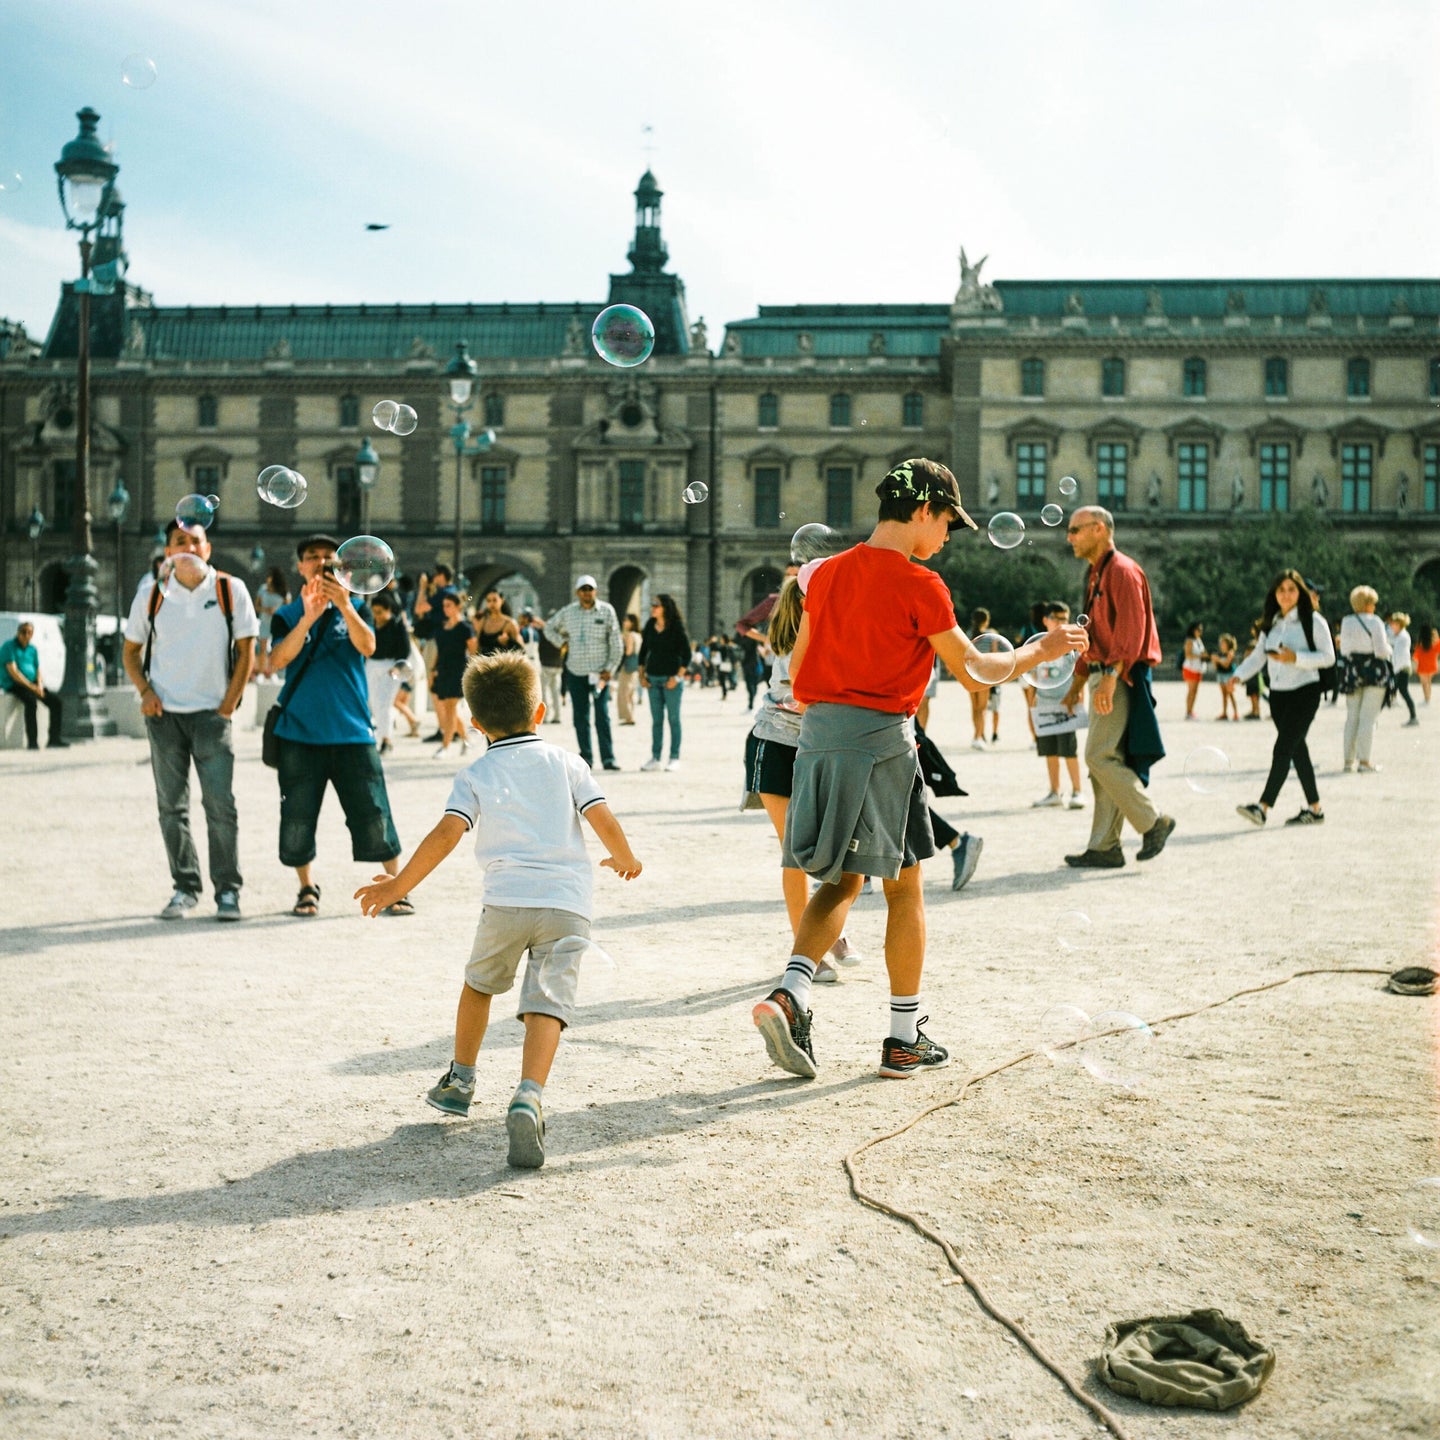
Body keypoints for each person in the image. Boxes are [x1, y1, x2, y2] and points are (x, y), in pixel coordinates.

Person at [749, 457, 1085, 1081]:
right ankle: (903, 1038)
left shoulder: (822, 576)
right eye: (948, 525)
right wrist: (1042, 648)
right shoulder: (920, 585)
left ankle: (791, 993)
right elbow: (975, 671)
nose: (947, 539)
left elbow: (796, 673)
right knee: (905, 890)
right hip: (881, 746)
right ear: (924, 511)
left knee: (842, 882)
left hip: (818, 742)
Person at [354, 652, 642, 1169]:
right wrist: (624, 858)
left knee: (480, 986)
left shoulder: (477, 773)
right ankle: (529, 1094)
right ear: (540, 713)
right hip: (566, 905)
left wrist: (399, 884)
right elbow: (603, 818)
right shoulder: (567, 762)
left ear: (476, 723)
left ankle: (460, 1080)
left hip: (506, 902)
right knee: (547, 1003)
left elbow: (446, 835)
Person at [121, 519, 258, 919]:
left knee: (220, 807)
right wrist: (145, 693)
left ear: (207, 548)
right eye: (179, 541)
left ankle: (228, 892)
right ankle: (185, 887)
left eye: (195, 541)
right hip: (165, 717)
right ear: (168, 551)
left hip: (212, 717)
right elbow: (130, 652)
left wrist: (228, 705)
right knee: (171, 808)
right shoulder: (151, 594)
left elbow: (247, 651)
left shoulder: (230, 590)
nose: (188, 546)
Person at [267, 534, 407, 918]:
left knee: (374, 810)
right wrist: (309, 617)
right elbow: (276, 660)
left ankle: (395, 884)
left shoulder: (356, 605)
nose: (322, 562)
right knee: (297, 816)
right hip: (300, 733)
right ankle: (306, 887)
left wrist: (345, 605)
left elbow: (369, 646)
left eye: (330, 557)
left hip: (352, 731)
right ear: (300, 567)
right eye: (312, 557)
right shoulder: (288, 614)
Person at [744, 578, 862, 980]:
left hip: (812, 749)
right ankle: (807, 952)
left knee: (829, 848)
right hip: (776, 747)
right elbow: (806, 693)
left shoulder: (829, 636)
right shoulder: (793, 646)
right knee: (795, 853)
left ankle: (829, 933)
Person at [1061, 506, 1175, 869]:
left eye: (1075, 530)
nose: (1069, 537)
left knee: (1099, 756)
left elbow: (1131, 630)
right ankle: (1105, 846)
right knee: (1106, 760)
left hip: (1119, 675)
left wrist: (1109, 678)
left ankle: (1153, 820)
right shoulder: (1098, 573)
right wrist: (1079, 681)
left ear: (1098, 529)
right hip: (1105, 672)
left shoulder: (1122, 571)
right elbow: (1090, 633)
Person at [1231, 568, 1335, 827]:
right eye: (1281, 590)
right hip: (1277, 696)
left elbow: (1329, 657)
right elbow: (1258, 656)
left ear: (1300, 592)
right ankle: (1316, 809)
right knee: (1298, 751)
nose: (1286, 595)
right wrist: (1239, 675)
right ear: (1274, 594)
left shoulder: (1314, 621)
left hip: (1305, 692)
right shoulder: (1273, 622)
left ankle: (1263, 807)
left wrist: (1295, 658)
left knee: (1283, 748)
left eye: (1291, 589)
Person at [548, 574, 623, 771]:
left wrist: (610, 668)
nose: (587, 593)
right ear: (577, 592)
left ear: (595, 591)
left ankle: (608, 758)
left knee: (602, 716)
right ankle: (586, 756)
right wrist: (562, 642)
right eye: (583, 590)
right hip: (576, 671)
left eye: (590, 589)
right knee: (580, 716)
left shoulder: (607, 612)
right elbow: (549, 628)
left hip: (600, 673)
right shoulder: (568, 612)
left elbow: (616, 641)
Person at [1030, 602, 1086, 810]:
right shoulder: (1038, 643)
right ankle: (1055, 791)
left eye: (1064, 618)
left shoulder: (1072, 644)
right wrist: (1031, 704)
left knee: (1069, 750)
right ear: (1045, 620)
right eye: (1056, 618)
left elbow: (1081, 673)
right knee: (1049, 750)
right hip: (1044, 702)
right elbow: (1032, 674)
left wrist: (1080, 699)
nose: (1061, 622)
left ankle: (1078, 791)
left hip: (1066, 703)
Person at [1339, 584, 1392, 773]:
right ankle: (1364, 761)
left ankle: (1348, 760)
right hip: (1374, 671)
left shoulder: (1346, 621)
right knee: (1368, 718)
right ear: (1368, 603)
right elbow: (1381, 650)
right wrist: (1390, 650)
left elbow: (1344, 650)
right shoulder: (1375, 621)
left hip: (1352, 671)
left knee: (1352, 717)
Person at [637, 593, 691, 771]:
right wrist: (642, 676)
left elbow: (687, 655)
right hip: (653, 679)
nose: (652, 607)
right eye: (652, 604)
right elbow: (643, 652)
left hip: (671, 680)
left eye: (656, 605)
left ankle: (674, 757)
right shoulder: (650, 626)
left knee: (674, 719)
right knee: (657, 720)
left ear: (665, 608)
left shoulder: (676, 627)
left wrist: (677, 677)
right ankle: (655, 758)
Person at [421, 589, 478, 756]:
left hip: (458, 670)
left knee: (451, 708)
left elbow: (474, 653)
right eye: (444, 606)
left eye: (449, 605)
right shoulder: (442, 627)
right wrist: (432, 670)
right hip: (443, 669)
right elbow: (439, 651)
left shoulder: (465, 628)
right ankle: (466, 739)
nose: (445, 608)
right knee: (447, 709)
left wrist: (473, 675)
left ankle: (445, 746)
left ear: (458, 607)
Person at [1, 620, 66, 750]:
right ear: (18, 633)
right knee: (31, 702)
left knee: (56, 702)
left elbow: (37, 669)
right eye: (23, 632)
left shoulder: (32, 649)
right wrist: (32, 687)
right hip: (15, 684)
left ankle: (54, 738)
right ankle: (32, 741)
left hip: (33, 683)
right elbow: (14, 672)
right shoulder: (9, 647)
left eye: (29, 633)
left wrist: (40, 685)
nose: (26, 635)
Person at [366, 591, 412, 754]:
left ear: (388, 610)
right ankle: (383, 737)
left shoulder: (397, 625)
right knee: (374, 702)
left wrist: (397, 667)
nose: (377, 616)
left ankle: (386, 739)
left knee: (385, 703)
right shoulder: (370, 624)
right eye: (374, 612)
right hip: (372, 665)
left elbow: (405, 649)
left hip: (391, 666)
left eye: (380, 612)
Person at [254, 565, 290, 676]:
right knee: (262, 649)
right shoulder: (263, 589)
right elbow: (256, 606)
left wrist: (277, 610)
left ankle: (273, 672)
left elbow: (288, 609)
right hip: (264, 622)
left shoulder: (284, 592)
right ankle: (261, 672)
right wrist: (266, 610)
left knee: (275, 649)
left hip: (276, 623)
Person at [968, 608, 994, 750]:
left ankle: (976, 735)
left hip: (971, 673)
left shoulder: (968, 634)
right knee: (983, 708)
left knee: (974, 707)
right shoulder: (990, 635)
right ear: (986, 620)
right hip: (985, 674)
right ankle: (979, 735)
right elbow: (995, 655)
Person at [532, 613, 566, 722]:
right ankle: (558, 716)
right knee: (555, 692)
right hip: (558, 665)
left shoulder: (544, 632)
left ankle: (545, 716)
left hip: (546, 665)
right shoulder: (560, 633)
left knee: (544, 691)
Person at [1387, 613, 1418, 726]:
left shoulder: (1403, 637)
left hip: (1402, 668)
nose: (1391, 627)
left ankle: (1414, 717)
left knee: (1403, 692)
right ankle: (1413, 717)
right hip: (1400, 668)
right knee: (1398, 691)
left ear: (1399, 624)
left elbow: (1400, 655)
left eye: (1393, 624)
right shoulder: (1400, 636)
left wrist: (1395, 671)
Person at [475, 587, 522, 655]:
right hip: (484, 663)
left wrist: (508, 642)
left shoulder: (510, 623)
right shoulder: (482, 621)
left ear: (502, 601)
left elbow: (520, 650)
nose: (492, 603)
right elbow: (477, 646)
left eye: (495, 600)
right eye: (488, 601)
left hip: (502, 663)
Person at [616, 613, 641, 725]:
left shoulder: (630, 635)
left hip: (627, 667)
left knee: (623, 693)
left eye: (626, 620)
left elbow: (628, 651)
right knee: (631, 693)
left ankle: (628, 717)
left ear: (632, 622)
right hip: (635, 667)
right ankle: (631, 715)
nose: (624, 622)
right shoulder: (638, 635)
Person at [1181, 620, 1207, 719]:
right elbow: (1188, 655)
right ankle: (1188, 711)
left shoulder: (1198, 640)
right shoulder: (1189, 641)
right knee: (1191, 690)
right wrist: (1200, 655)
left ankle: (1191, 710)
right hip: (1190, 668)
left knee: (1195, 691)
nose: (1200, 631)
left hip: (1198, 668)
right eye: (1198, 629)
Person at [1213, 633, 1239, 720]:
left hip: (1228, 675)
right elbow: (1217, 667)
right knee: (1224, 695)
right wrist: (1215, 661)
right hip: (1220, 674)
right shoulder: (1219, 653)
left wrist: (1218, 660)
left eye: (1223, 643)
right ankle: (1224, 713)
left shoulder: (1230, 653)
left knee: (1231, 694)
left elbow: (1226, 665)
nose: (1221, 645)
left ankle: (1235, 713)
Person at [1414, 622, 1439, 706]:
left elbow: (1415, 656)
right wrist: (1436, 635)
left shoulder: (1420, 644)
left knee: (1424, 684)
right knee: (1429, 682)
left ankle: (1426, 699)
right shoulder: (1434, 643)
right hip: (1432, 665)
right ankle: (1428, 699)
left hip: (1422, 665)